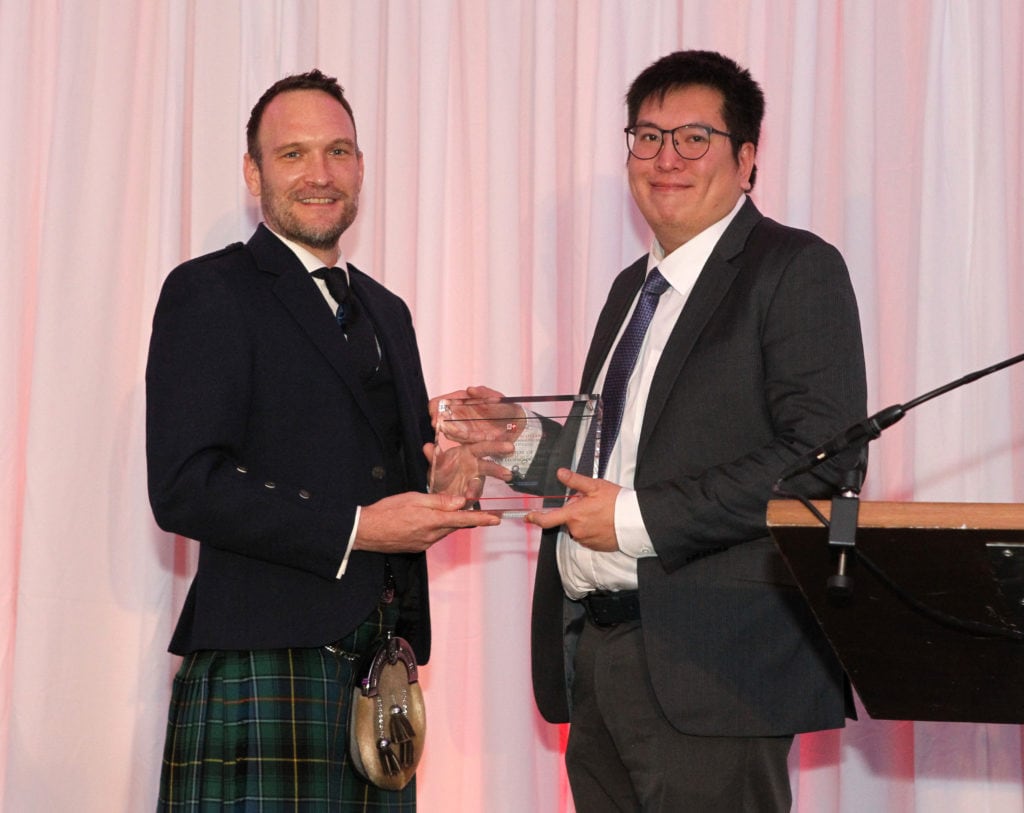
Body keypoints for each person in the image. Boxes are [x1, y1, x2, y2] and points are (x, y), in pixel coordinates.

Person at [146, 69, 498, 810]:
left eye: (338, 152)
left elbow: (388, 476)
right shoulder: (208, 290)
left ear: (361, 167)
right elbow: (184, 487)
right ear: (254, 173)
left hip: (381, 679)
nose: (320, 174)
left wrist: (444, 484)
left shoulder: (388, 311)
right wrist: (359, 528)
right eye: (293, 154)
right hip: (262, 665)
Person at [525, 49, 866, 810]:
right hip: (599, 653)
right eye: (647, 137)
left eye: (693, 138)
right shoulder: (632, 288)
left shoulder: (794, 268)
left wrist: (633, 520)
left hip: (715, 668)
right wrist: (514, 445)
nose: (665, 158)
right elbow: (619, 455)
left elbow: (822, 461)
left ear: (746, 160)